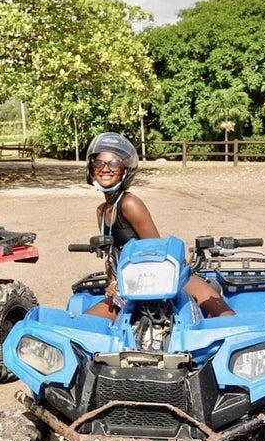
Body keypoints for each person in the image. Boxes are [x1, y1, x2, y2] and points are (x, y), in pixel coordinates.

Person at [84, 131, 235, 320]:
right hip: (129, 283)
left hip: (160, 277)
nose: (105, 168)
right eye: (99, 163)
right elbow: (110, 256)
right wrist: (114, 282)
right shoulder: (102, 210)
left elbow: (157, 250)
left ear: (124, 169)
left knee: (223, 314)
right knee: (83, 324)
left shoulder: (130, 204)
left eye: (114, 163)